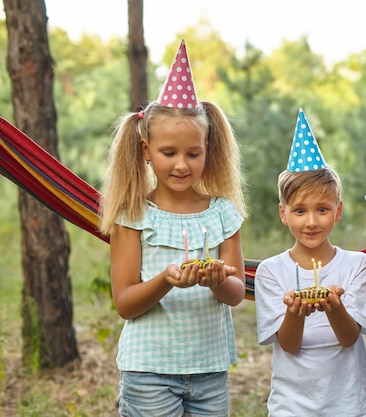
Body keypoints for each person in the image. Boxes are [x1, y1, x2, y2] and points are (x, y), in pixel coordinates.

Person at [99, 40, 247, 417]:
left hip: (209, 370)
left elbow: (235, 293)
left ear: (208, 149)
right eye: (169, 153)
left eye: (192, 154)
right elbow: (125, 303)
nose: (181, 165)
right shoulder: (132, 215)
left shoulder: (223, 214)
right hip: (148, 371)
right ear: (146, 150)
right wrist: (166, 279)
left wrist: (217, 279)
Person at [255, 108, 366, 417]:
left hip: (349, 406)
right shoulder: (271, 272)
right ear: (283, 214)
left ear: (337, 212)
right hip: (292, 408)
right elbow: (290, 345)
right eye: (299, 211)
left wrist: (334, 306)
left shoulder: (356, 266)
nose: (311, 221)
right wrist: (294, 314)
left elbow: (349, 338)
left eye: (322, 209)